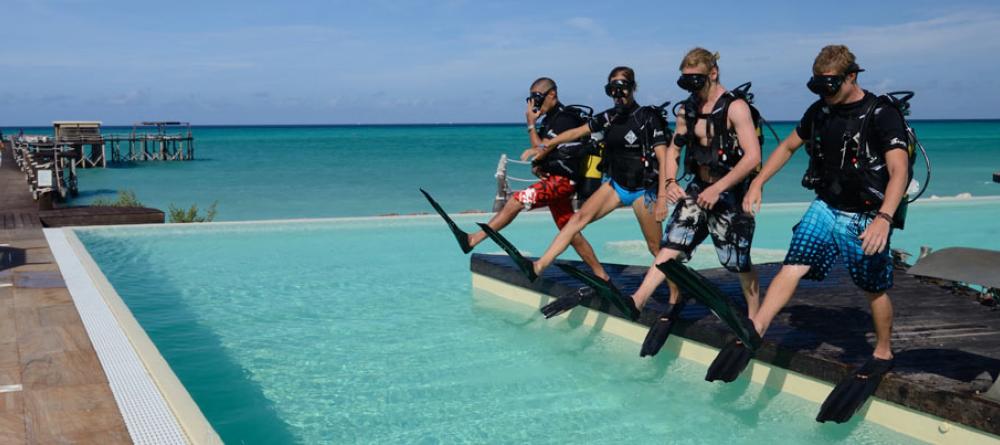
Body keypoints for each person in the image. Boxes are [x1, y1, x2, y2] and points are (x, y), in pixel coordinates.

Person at [718, 45, 909, 421]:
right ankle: (756, 329)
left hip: (866, 215)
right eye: (819, 86)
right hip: (826, 205)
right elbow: (789, 146)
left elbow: (898, 171)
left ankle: (884, 350)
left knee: (873, 288)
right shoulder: (820, 110)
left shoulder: (882, 114)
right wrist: (758, 183)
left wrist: (884, 218)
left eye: (832, 85)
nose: (826, 94)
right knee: (793, 264)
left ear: (852, 76)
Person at [484, 66, 673, 319]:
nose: (618, 94)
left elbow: (663, 157)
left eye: (622, 88)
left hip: (643, 191)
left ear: (632, 87)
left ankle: (675, 293)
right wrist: (545, 144)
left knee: (654, 248)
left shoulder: (646, 117)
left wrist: (662, 197)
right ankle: (539, 266)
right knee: (576, 221)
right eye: (612, 90)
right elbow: (576, 132)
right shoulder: (609, 117)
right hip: (616, 186)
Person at [627, 48, 763, 358]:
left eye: (696, 79)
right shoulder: (685, 111)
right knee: (671, 246)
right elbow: (673, 153)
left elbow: (753, 157)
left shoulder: (736, 108)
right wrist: (671, 182)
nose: (690, 86)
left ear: (713, 73)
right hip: (697, 190)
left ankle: (755, 317)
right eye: (685, 80)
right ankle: (637, 300)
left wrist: (720, 188)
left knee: (736, 263)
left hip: (730, 193)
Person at [422, 77, 610, 282]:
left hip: (564, 181)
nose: (534, 104)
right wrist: (538, 163)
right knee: (569, 230)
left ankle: (474, 239)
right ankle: (601, 274)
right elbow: (542, 152)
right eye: (531, 100)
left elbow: (540, 149)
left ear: (552, 95)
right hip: (556, 178)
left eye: (538, 98)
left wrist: (530, 125)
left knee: (517, 200)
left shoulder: (565, 118)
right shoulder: (549, 120)